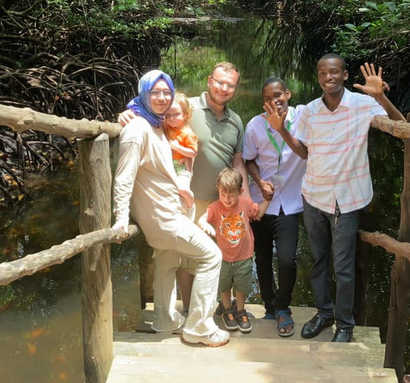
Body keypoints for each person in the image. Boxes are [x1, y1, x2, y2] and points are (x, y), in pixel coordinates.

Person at [265, 55, 405, 343]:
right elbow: (303, 151)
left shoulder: (363, 104)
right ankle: (324, 312)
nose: (328, 77)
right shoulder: (309, 111)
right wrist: (282, 131)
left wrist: (381, 97)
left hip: (348, 198)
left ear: (344, 75)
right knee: (318, 260)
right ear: (318, 77)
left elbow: (402, 127)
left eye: (334, 72)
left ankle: (345, 325)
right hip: (314, 195)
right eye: (322, 73)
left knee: (343, 266)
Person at [112, 70, 228, 347]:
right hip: (163, 219)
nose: (162, 98)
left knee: (167, 262)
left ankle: (164, 318)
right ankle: (199, 327)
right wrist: (119, 217)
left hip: (168, 212)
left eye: (167, 92)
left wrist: (126, 110)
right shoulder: (138, 129)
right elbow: (124, 176)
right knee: (212, 256)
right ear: (144, 93)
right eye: (155, 92)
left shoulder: (155, 124)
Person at [119, 61, 249, 310]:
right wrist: (127, 113)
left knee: (226, 255)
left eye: (230, 85)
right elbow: (152, 107)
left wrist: (246, 198)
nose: (223, 88)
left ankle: (221, 305)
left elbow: (238, 162)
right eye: (219, 82)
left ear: (235, 88)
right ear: (209, 81)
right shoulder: (185, 106)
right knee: (189, 261)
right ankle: (190, 310)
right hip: (191, 200)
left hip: (223, 201)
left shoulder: (236, 121)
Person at [243, 77, 306, 337]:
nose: (274, 101)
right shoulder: (255, 126)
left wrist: (281, 129)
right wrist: (259, 181)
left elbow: (304, 153)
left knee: (288, 260)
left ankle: (283, 307)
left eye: (278, 95)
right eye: (268, 98)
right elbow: (248, 161)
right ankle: (271, 306)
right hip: (262, 203)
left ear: (288, 94)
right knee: (263, 258)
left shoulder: (302, 118)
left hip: (290, 203)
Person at [198, 168, 271, 334]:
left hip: (243, 256)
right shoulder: (215, 207)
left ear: (240, 191)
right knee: (224, 285)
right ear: (218, 189)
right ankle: (226, 310)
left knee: (242, 286)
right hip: (223, 257)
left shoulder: (245, 203)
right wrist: (206, 225)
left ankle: (240, 310)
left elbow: (258, 213)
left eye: (231, 195)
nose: (227, 199)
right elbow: (202, 219)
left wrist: (268, 200)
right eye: (223, 194)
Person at [164, 92, 198, 210]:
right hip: (170, 166)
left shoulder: (187, 133)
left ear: (185, 114)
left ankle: (191, 205)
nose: (171, 118)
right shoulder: (167, 126)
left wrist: (177, 147)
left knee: (182, 189)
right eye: (167, 115)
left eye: (176, 114)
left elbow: (193, 152)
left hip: (181, 167)